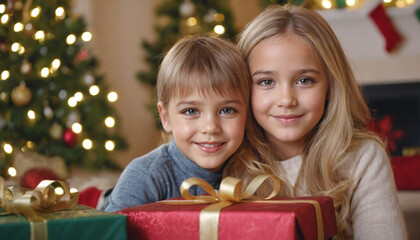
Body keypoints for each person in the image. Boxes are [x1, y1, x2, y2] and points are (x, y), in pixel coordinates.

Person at [225, 4, 407, 239]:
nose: (286, 100)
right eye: (266, 82)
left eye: (305, 80)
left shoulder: (363, 156)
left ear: (330, 85)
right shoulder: (227, 153)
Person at [103, 35, 252, 212]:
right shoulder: (145, 176)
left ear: (247, 113)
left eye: (227, 110)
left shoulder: (254, 169)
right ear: (166, 118)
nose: (211, 127)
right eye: (191, 111)